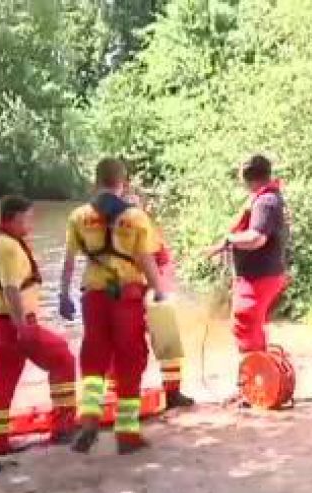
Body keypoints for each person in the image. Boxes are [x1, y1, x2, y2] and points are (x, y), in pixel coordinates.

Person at [59, 157, 168, 454]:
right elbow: (146, 259)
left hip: (93, 295)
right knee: (130, 360)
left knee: (94, 355)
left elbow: (69, 261)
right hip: (127, 296)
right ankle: (126, 432)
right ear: (125, 183)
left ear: (95, 182)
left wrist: (62, 294)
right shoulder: (135, 218)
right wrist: (160, 291)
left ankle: (90, 417)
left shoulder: (78, 216)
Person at [0, 196, 77, 457]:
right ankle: (64, 427)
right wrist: (22, 326)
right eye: (29, 217)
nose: (33, 222)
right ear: (16, 217)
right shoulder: (9, 247)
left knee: (0, 383)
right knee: (62, 358)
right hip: (13, 323)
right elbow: (11, 288)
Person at [103, 186, 196, 410]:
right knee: (126, 345)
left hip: (145, 291)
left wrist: (159, 290)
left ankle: (169, 392)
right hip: (134, 291)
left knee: (162, 341)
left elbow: (162, 262)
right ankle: (118, 394)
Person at [204, 155, 289, 357]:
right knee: (250, 325)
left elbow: (257, 238)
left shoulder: (265, 202)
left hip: (259, 276)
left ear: (245, 176)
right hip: (261, 275)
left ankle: (256, 377)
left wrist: (230, 240)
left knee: (246, 323)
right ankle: (261, 375)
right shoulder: (267, 198)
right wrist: (220, 246)